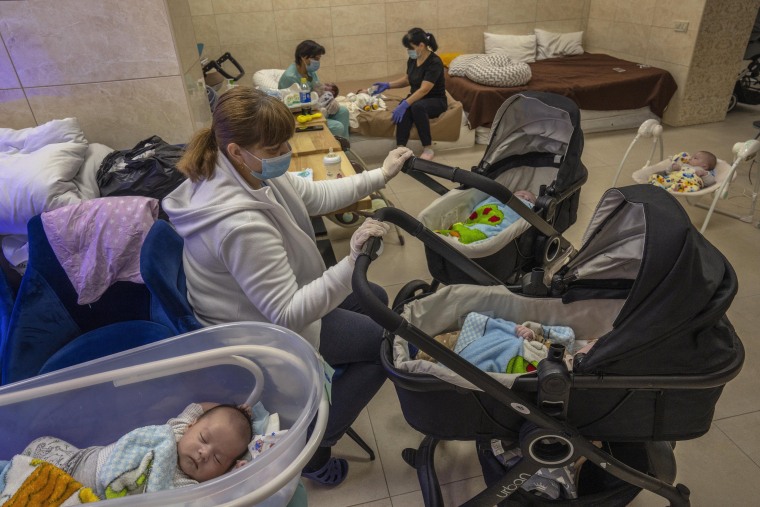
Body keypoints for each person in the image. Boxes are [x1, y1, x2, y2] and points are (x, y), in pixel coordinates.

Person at [162, 87, 413, 486]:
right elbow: (286, 313)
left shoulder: (244, 169)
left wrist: (380, 175)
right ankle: (316, 446)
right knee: (386, 343)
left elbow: (313, 194)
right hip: (259, 331)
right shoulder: (238, 224)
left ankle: (332, 385)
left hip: (263, 300)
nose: (283, 152)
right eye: (274, 145)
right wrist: (350, 261)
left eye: (284, 143)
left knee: (376, 297)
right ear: (236, 150)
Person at [22, 403, 253, 495]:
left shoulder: (190, 489)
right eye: (204, 438)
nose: (204, 453)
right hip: (81, 460)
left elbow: (218, 496)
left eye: (217, 459)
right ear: (192, 426)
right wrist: (237, 409)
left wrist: (233, 477)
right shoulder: (177, 430)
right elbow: (199, 408)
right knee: (37, 447)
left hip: (85, 496)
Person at [370, 27, 447, 161]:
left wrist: (406, 103)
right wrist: (387, 85)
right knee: (405, 108)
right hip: (418, 98)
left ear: (421, 46)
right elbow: (407, 79)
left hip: (435, 100)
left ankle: (428, 148)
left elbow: (424, 89)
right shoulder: (413, 59)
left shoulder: (435, 62)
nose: (408, 51)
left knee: (415, 106)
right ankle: (400, 148)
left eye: (410, 48)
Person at [278, 39, 351, 138]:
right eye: (316, 59)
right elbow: (292, 108)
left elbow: (316, 90)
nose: (317, 62)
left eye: (319, 59)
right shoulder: (290, 78)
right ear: (303, 57)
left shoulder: (310, 72)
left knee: (343, 111)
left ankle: (344, 149)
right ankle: (332, 149)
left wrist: (329, 101)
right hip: (299, 116)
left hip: (313, 107)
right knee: (338, 127)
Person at [436, 190, 537, 244]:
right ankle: (447, 235)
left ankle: (453, 238)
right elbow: (485, 205)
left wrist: (528, 205)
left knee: (479, 233)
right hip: (482, 221)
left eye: (530, 200)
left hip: (499, 225)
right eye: (522, 194)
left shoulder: (529, 209)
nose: (526, 198)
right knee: (470, 228)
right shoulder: (500, 199)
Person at [648, 150, 717, 192]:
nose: (690, 158)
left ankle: (673, 188)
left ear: (704, 166)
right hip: (672, 179)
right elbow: (667, 172)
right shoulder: (684, 165)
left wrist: (704, 174)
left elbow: (710, 182)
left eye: (695, 158)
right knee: (655, 177)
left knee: (695, 188)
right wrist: (673, 167)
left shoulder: (703, 172)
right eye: (692, 157)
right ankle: (659, 186)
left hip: (687, 184)